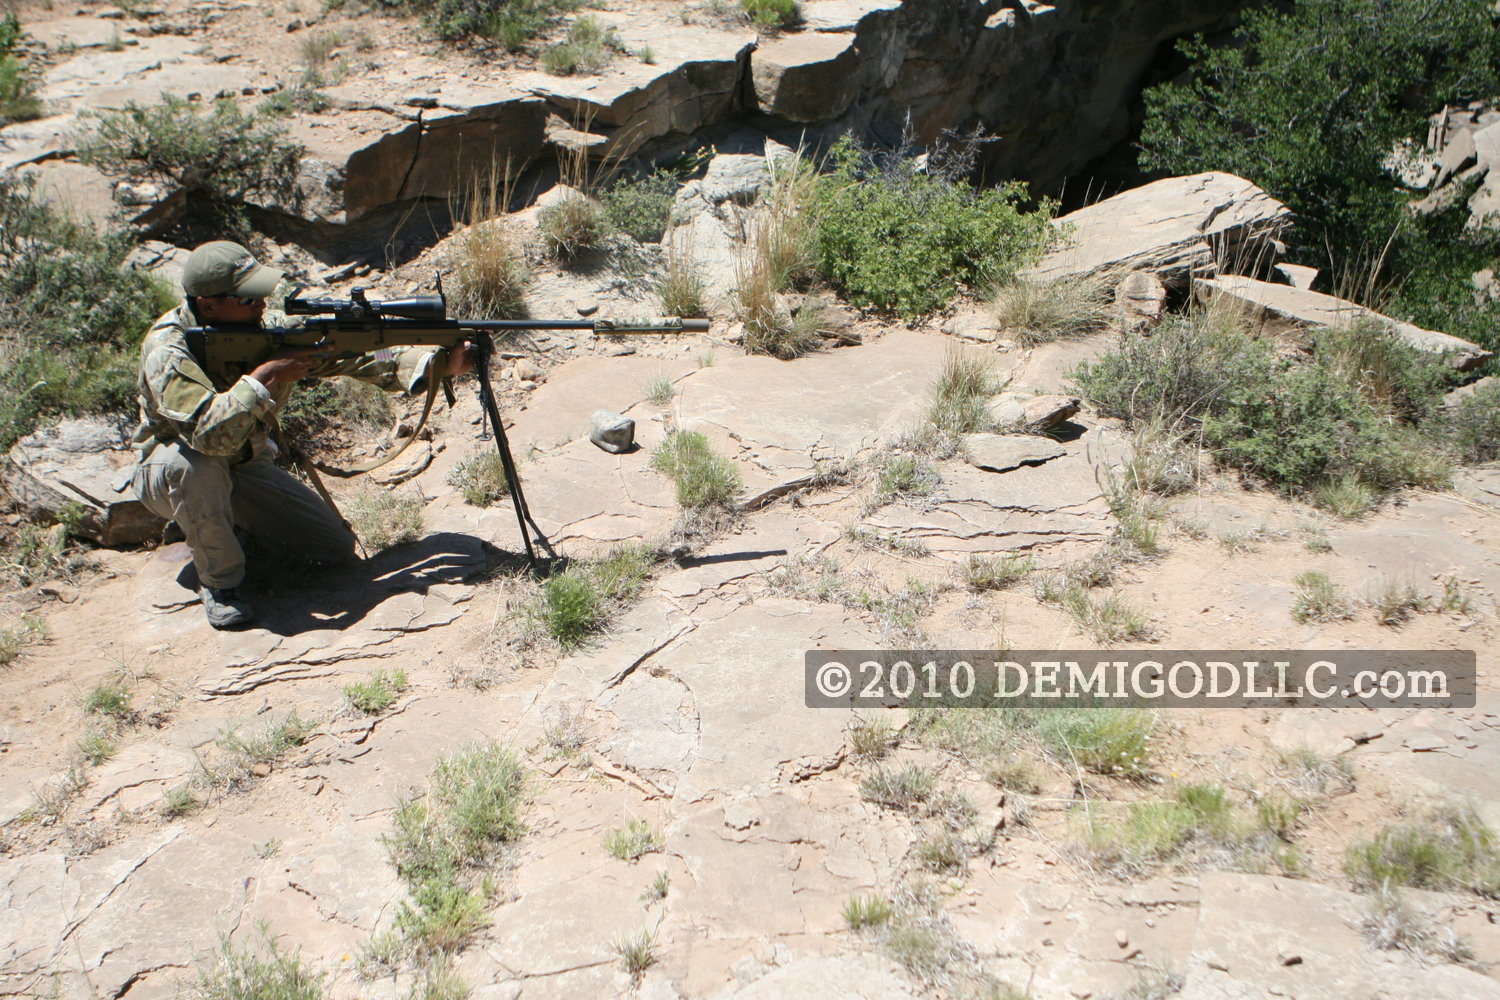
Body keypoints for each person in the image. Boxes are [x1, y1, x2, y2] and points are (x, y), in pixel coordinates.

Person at [130, 241, 472, 629]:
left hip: (243, 464)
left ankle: (224, 527)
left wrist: (434, 365)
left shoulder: (270, 329)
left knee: (333, 548)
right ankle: (220, 583)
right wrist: (264, 378)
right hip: (171, 468)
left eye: (261, 294)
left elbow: (361, 355)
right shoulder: (169, 349)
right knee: (198, 468)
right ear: (207, 305)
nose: (261, 304)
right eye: (248, 299)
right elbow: (209, 439)